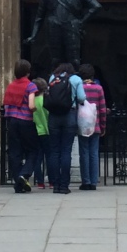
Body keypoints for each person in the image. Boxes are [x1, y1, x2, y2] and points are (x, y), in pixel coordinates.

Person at [42, 61, 85, 195]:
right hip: (69, 115)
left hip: (54, 116)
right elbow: (82, 97)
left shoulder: (53, 78)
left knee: (54, 151)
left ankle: (55, 184)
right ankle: (64, 185)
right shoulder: (76, 79)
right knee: (66, 151)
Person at [3, 60, 39, 193]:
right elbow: (31, 105)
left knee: (15, 152)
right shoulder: (30, 86)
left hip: (12, 121)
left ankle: (18, 183)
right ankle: (24, 174)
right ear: (28, 72)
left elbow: (6, 105)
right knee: (33, 150)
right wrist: (35, 109)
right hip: (26, 121)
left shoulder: (11, 86)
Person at [77, 63, 108, 191]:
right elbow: (102, 109)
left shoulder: (79, 88)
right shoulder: (98, 88)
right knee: (94, 153)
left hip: (82, 125)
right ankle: (94, 181)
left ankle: (86, 181)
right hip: (95, 124)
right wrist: (103, 126)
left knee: (84, 153)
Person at [31, 78, 50, 189]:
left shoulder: (32, 101)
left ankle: (40, 182)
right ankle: (52, 181)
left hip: (36, 131)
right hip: (46, 131)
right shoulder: (46, 101)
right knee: (49, 156)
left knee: (37, 158)